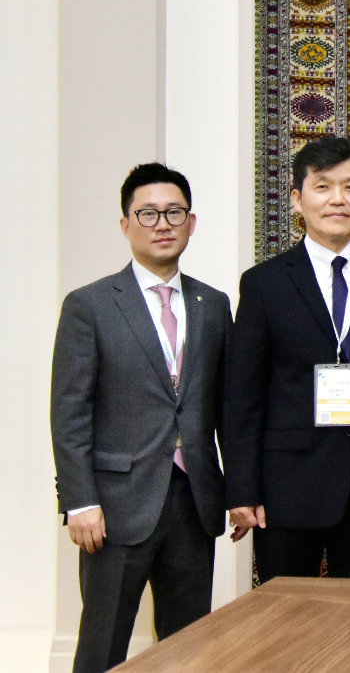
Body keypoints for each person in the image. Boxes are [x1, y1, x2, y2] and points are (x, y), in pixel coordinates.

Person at [51, 163, 231, 672]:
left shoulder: (213, 304)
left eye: (174, 212)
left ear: (191, 223)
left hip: (193, 502)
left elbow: (226, 408)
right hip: (114, 507)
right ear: (126, 224)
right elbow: (69, 412)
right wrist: (78, 500)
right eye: (147, 213)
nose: (162, 223)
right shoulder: (90, 305)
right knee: (102, 646)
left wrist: (238, 491)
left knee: (190, 646)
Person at [224, 137, 350, 582]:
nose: (337, 199)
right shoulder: (264, 284)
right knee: (285, 621)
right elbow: (242, 397)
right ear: (297, 198)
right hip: (285, 486)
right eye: (323, 186)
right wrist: (242, 489)